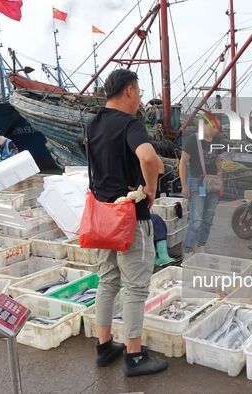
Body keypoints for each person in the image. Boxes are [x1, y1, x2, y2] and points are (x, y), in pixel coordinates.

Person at [88, 69, 167, 376]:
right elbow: (148, 158)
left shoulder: (93, 122)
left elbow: (144, 160)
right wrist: (151, 190)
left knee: (107, 281)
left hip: (102, 216)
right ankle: (134, 356)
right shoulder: (130, 123)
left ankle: (104, 345)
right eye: (140, 92)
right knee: (135, 287)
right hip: (130, 216)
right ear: (131, 91)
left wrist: (152, 165)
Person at [179, 121, 223, 255]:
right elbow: (183, 163)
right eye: (214, 126)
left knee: (209, 217)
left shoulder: (218, 140)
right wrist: (184, 185)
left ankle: (201, 245)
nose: (216, 130)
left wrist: (220, 177)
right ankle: (188, 248)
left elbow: (218, 160)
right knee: (196, 219)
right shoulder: (193, 140)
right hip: (196, 182)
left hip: (213, 184)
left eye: (218, 127)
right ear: (204, 124)